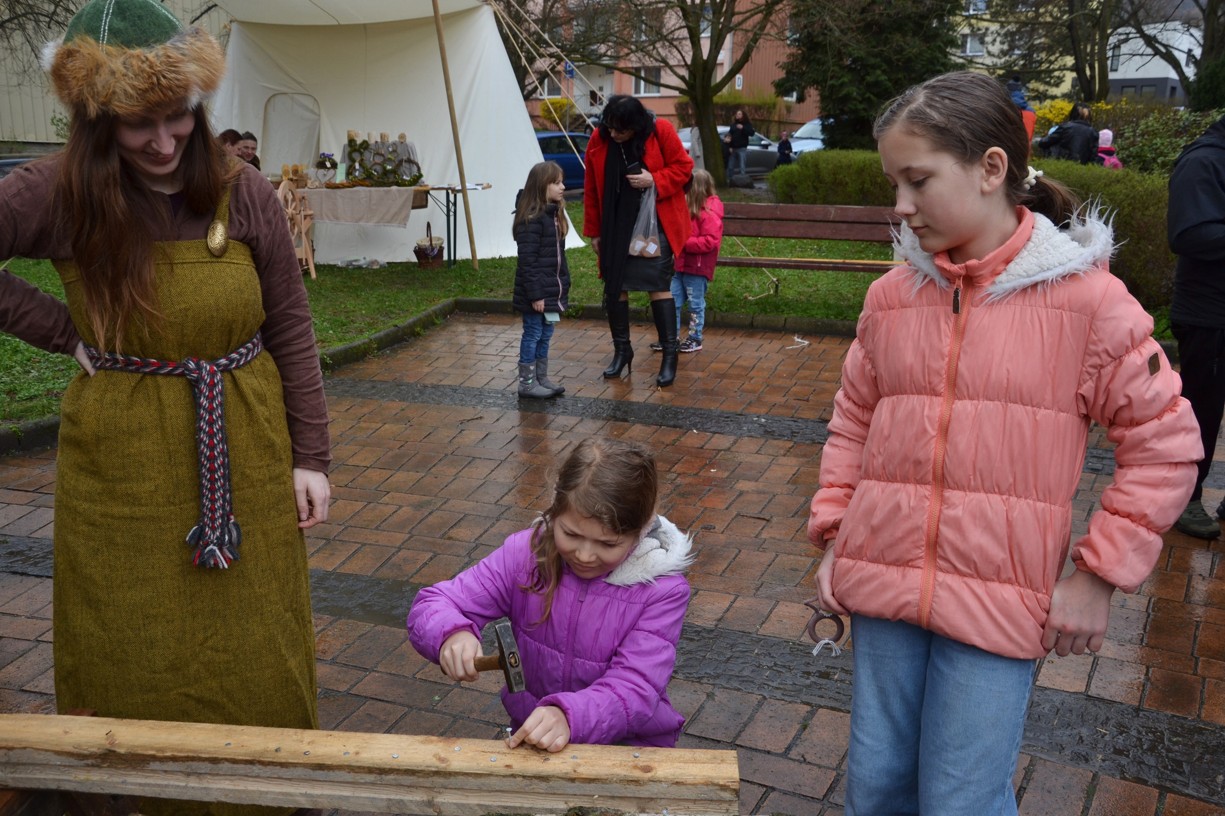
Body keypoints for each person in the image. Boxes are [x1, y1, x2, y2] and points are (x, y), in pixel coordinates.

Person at [807, 70, 1200, 815]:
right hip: (883, 588)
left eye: (917, 180)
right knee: (877, 787)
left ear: (991, 168)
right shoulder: (890, 298)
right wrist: (836, 532)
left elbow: (1166, 444)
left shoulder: (1089, 304)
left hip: (999, 603)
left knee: (959, 801)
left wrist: (1097, 576)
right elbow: (853, 420)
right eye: (894, 184)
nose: (900, 206)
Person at [1, 2, 332, 813]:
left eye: (177, 115)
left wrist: (311, 456)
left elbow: (290, 324)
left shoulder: (241, 191)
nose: (161, 140)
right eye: (136, 123)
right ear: (95, 119)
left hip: (247, 446)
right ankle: (123, 795)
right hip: (121, 468)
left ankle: (264, 792)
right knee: (124, 635)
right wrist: (59, 330)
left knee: (259, 640)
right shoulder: (56, 192)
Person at [406, 437, 693, 752]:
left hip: (628, 747)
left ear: (640, 532)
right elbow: (435, 602)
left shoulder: (662, 590)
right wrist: (450, 633)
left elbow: (635, 687)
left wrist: (569, 716)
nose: (584, 555)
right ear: (555, 513)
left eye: (608, 544)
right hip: (539, 735)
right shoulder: (525, 556)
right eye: (570, 534)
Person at [583, 94, 694, 387]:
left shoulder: (661, 130)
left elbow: (684, 168)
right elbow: (591, 187)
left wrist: (654, 179)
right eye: (610, 127)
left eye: (621, 130)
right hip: (615, 225)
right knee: (616, 287)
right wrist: (595, 231)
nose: (613, 134)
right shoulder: (599, 138)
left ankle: (669, 354)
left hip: (654, 224)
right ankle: (623, 351)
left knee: (658, 286)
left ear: (635, 126)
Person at [1168, 114, 1225, 539]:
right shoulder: (1203, 162)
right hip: (1210, 315)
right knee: (1201, 413)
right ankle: (1184, 499)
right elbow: (1189, 234)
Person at [512, 161, 570, 399]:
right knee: (533, 334)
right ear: (541, 185)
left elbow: (558, 258)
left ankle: (541, 378)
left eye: (562, 182)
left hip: (550, 291)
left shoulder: (554, 215)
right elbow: (527, 262)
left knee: (545, 335)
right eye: (556, 183)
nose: (562, 187)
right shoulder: (532, 219)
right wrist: (536, 295)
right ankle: (527, 383)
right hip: (536, 294)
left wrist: (563, 284)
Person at [670, 169, 723, 353]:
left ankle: (695, 338)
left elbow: (711, 241)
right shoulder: (687, 210)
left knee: (695, 305)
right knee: (672, 300)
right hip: (680, 266)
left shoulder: (709, 214)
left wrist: (684, 242)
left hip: (697, 269)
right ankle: (671, 337)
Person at [724, 108, 755, 179]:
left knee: (742, 166)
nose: (737, 115)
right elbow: (730, 135)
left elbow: (751, 133)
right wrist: (729, 146)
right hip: (733, 148)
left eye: (739, 114)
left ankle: (742, 180)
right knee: (730, 166)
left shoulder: (747, 124)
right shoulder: (733, 125)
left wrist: (743, 128)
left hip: (742, 148)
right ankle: (730, 180)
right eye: (737, 114)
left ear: (743, 115)